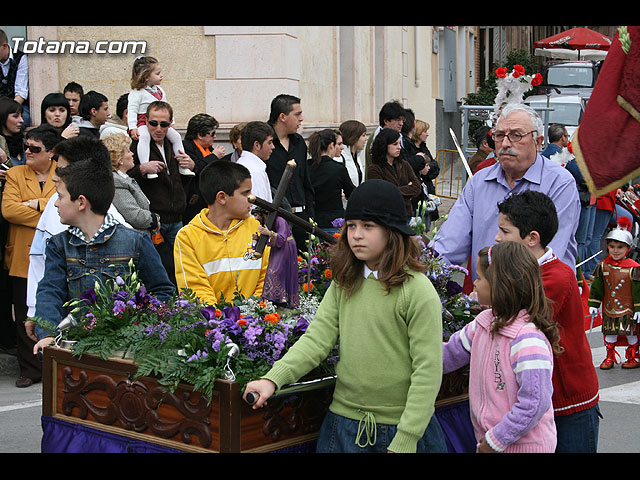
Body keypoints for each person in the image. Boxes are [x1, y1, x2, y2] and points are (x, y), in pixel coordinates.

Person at [244, 179, 446, 453]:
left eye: (368, 226)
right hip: (344, 425)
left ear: (392, 231)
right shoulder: (345, 281)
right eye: (351, 226)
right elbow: (317, 339)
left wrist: (407, 438)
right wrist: (273, 379)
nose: (356, 235)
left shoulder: (417, 291)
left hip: (401, 428)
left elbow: (428, 370)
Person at [29, 158, 176, 354]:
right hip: (75, 347)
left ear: (81, 202)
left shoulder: (136, 241)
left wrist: (144, 326)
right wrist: (47, 333)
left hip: (126, 351)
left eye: (60, 196)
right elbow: (50, 290)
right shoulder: (59, 245)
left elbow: (162, 290)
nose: (55, 204)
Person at [495, 191, 600, 453]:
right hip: (542, 399)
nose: (497, 238)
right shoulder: (525, 273)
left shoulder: (555, 277)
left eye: (505, 232)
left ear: (532, 238)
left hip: (569, 401)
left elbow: (514, 325)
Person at [431, 103, 581, 283]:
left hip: (539, 298)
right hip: (485, 299)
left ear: (539, 142)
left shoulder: (559, 183)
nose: (505, 143)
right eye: (500, 135)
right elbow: (449, 244)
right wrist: (425, 273)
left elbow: (548, 256)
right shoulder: (480, 182)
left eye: (516, 135)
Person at [443, 241, 561, 453]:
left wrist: (495, 440)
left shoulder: (528, 339)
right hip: (491, 443)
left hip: (524, 447)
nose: (475, 284)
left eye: (480, 277)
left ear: (501, 284)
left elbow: (534, 404)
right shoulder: (482, 324)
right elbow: (448, 354)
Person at [26, 135, 130, 322]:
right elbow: (40, 265)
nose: (55, 177)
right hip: (57, 318)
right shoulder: (57, 206)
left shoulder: (116, 224)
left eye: (63, 170)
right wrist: (36, 312)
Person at [1, 124, 61, 387]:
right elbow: (9, 210)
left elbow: (64, 205)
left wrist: (37, 204)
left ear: (50, 152)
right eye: (26, 146)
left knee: (54, 308)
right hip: (21, 257)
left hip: (55, 254)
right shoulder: (15, 174)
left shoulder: (63, 171)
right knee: (24, 313)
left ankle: (55, 364)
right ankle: (29, 369)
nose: (27, 151)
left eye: (34, 148)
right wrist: (47, 214)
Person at [173, 160, 269, 306]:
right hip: (214, 325)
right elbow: (194, 289)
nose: (252, 198)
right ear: (222, 197)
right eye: (245, 193)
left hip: (255, 322)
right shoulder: (188, 237)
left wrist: (252, 313)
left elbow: (266, 276)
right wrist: (221, 322)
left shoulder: (256, 228)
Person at [127, 101, 191, 285]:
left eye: (163, 124)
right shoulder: (136, 145)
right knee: (157, 270)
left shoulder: (173, 143)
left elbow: (180, 181)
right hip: (153, 219)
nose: (158, 128)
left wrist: (191, 166)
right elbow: (122, 178)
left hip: (176, 217)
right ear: (145, 121)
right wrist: (142, 168)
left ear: (170, 124)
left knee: (180, 267)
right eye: (153, 123)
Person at [126, 56, 192, 178]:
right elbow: (132, 110)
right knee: (144, 137)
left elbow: (167, 107)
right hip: (142, 122)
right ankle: (147, 165)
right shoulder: (136, 93)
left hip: (161, 121)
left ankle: (183, 165)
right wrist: (133, 127)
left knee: (176, 137)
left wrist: (171, 123)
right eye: (157, 73)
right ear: (146, 77)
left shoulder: (160, 91)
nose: (161, 76)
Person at [265, 94, 315, 251]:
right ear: (282, 117)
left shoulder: (299, 143)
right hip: (275, 220)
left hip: (301, 217)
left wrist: (310, 216)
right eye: (297, 114)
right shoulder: (264, 142)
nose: (301, 119)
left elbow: (306, 181)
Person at [588, 222, 640, 370]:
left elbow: (637, 291)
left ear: (628, 249)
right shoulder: (603, 266)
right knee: (610, 334)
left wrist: (639, 309)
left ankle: (633, 356)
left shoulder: (633, 268)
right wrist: (593, 304)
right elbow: (597, 288)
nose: (615, 251)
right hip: (610, 310)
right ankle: (609, 356)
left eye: (620, 247)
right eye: (612, 247)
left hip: (628, 310)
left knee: (630, 334)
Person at [103, 132, 158, 236]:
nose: (132, 154)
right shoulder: (116, 181)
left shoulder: (124, 178)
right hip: (133, 239)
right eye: (128, 151)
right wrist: (154, 219)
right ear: (119, 159)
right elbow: (133, 215)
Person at [308, 128, 355, 234]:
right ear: (331, 145)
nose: (342, 147)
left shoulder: (307, 166)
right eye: (339, 144)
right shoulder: (338, 168)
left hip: (312, 221)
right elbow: (351, 192)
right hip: (334, 223)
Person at [366, 127, 421, 218]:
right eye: (395, 144)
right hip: (387, 216)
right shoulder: (375, 168)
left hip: (405, 213)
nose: (399, 147)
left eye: (400, 143)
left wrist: (393, 190)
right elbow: (381, 194)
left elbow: (417, 187)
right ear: (385, 145)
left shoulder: (404, 164)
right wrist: (407, 188)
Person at [182, 113, 226, 224]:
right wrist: (214, 157)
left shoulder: (209, 149)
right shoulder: (186, 147)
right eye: (212, 133)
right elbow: (200, 169)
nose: (215, 137)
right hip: (194, 204)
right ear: (200, 135)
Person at [252, 208, 299, 308]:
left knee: (275, 272)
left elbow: (281, 238)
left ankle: (279, 300)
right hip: (277, 250)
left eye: (257, 215)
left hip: (286, 248)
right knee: (273, 271)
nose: (257, 218)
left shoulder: (279, 220)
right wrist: (257, 239)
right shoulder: (267, 222)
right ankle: (273, 300)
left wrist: (269, 233)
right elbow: (266, 239)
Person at [363, 100, 405, 177]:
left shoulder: (397, 136)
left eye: (402, 120)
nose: (401, 124)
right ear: (386, 121)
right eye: (397, 120)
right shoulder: (377, 138)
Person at [237, 121, 275, 203]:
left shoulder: (241, 164)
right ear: (257, 145)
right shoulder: (255, 172)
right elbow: (258, 210)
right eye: (269, 142)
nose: (273, 147)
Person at [0, 30, 30, 128]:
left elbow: (21, 93)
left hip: (16, 106)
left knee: (24, 117)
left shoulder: (21, 58)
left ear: (4, 46)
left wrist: (6, 112)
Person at [335, 119, 367, 189]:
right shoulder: (339, 158)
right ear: (354, 137)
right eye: (363, 135)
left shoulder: (356, 156)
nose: (366, 139)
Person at [0, 97, 25, 165]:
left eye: (21, 116)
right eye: (15, 116)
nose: (21, 120)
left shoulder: (24, 141)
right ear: (3, 117)